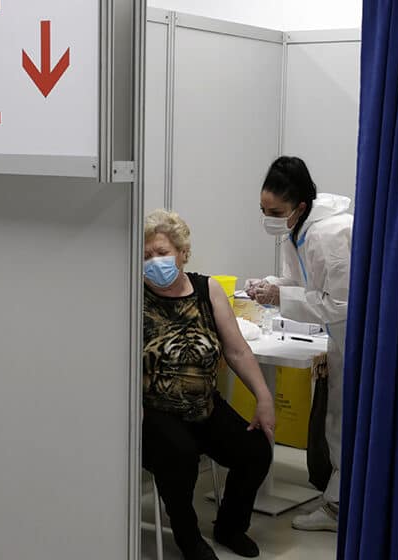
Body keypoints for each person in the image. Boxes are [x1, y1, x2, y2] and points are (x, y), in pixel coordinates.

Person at [142, 209, 276, 560]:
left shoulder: (208, 289)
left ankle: (230, 527)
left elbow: (237, 350)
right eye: (146, 256)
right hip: (154, 411)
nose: (154, 262)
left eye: (162, 252)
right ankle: (188, 538)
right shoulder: (132, 295)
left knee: (256, 450)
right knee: (180, 457)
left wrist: (263, 398)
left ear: (182, 252)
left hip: (205, 404)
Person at [246, 156, 352, 533]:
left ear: (300, 205)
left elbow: (343, 303)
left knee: (345, 421)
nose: (268, 219)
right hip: (339, 336)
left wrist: (281, 297)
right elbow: (301, 282)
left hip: (356, 336)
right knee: (336, 420)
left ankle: (341, 508)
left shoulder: (330, 234)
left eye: (275, 212)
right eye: (263, 210)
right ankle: (339, 503)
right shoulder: (299, 230)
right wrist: (270, 286)